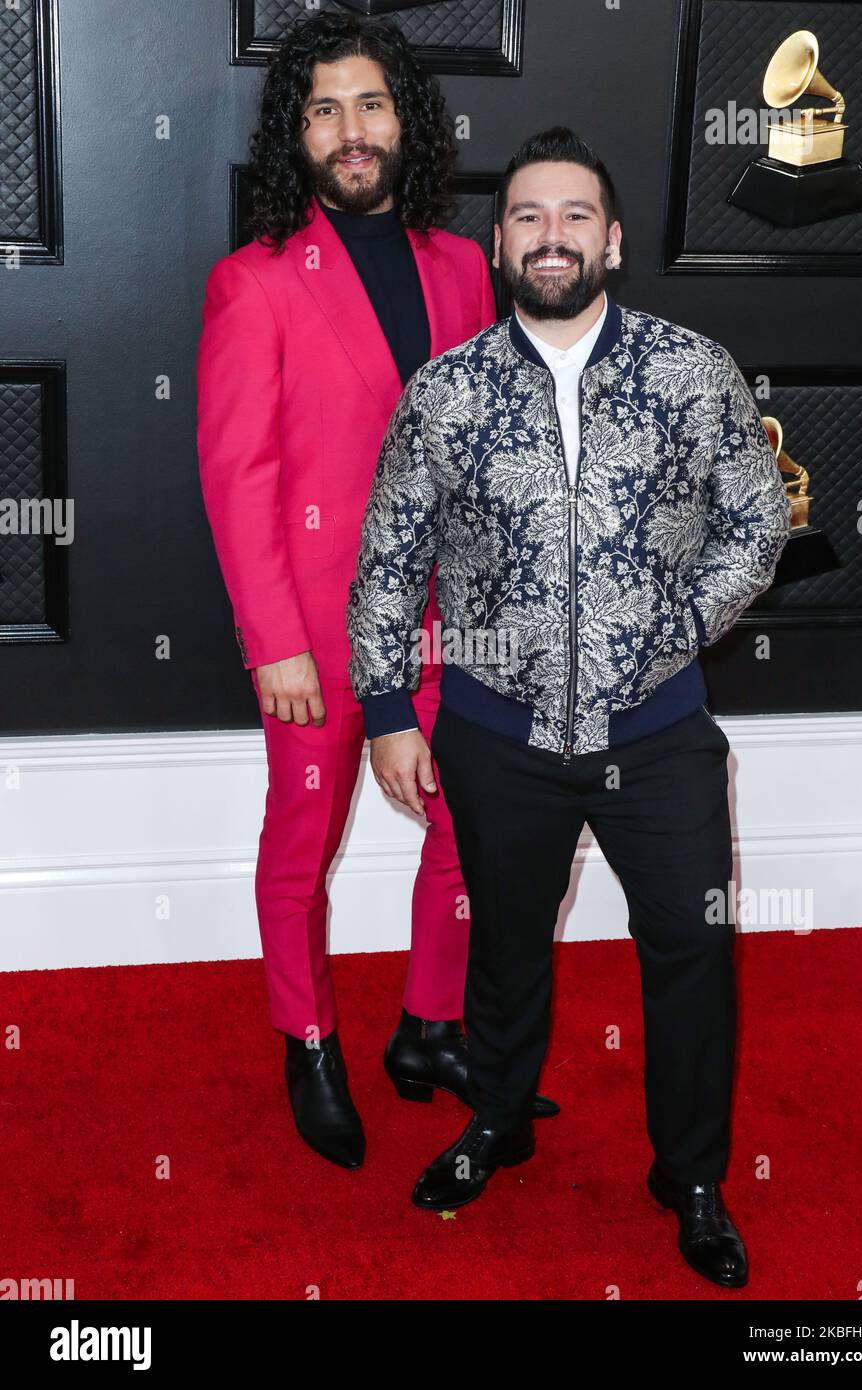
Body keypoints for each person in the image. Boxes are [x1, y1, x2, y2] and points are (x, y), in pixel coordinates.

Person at [347, 127, 791, 1287]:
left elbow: (758, 524)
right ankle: (496, 1118)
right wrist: (389, 707)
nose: (553, 236)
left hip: (659, 734)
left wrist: (673, 628)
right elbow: (388, 557)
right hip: (495, 734)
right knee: (503, 949)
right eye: (530, 217)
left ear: (614, 239)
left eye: (575, 215)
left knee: (691, 949)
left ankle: (689, 1177)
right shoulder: (442, 394)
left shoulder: (692, 369)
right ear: (500, 243)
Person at [196, 12, 557, 1173]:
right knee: (302, 845)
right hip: (315, 633)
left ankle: (428, 1027)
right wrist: (274, 644)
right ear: (293, 135)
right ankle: (308, 1038)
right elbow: (237, 475)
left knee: (467, 827)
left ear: (405, 120)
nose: (351, 132)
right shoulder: (253, 286)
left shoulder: (463, 268)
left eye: (370, 104)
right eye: (322, 109)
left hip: (461, 624)